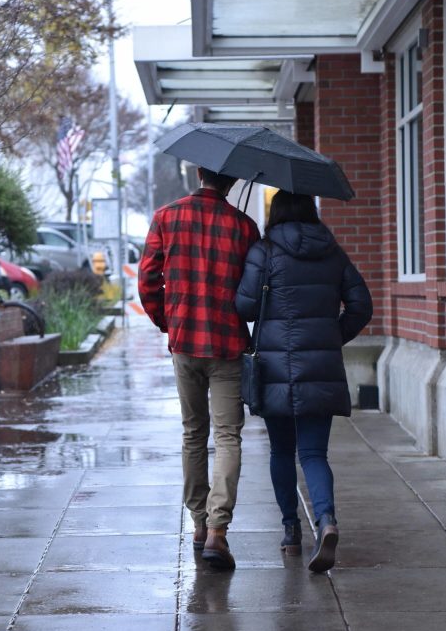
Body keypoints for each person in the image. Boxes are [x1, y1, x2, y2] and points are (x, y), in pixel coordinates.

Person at [235, 190, 372, 573]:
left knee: (281, 452)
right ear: (311, 211)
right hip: (320, 370)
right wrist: (331, 338)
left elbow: (244, 306)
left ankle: (291, 531)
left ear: (275, 213)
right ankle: (326, 521)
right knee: (313, 454)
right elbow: (362, 305)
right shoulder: (332, 252)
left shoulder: (263, 252)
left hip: (274, 371)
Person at [138, 167, 260, 570]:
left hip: (185, 340)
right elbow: (255, 291)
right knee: (228, 436)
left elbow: (147, 280)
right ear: (233, 182)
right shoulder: (244, 226)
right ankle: (218, 532)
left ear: (197, 172)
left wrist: (167, 321)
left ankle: (198, 523)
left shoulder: (166, 217)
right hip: (226, 344)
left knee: (194, 433)